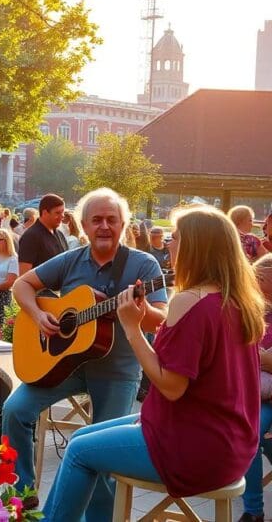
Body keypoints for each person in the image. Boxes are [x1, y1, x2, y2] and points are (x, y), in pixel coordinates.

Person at [41, 205, 265, 521]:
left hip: (194, 449)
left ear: (194, 247)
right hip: (232, 444)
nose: (169, 243)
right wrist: (144, 319)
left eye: (175, 237)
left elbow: (171, 387)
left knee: (78, 453)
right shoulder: (237, 299)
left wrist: (132, 329)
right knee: (79, 438)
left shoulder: (190, 302)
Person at [3, 188, 168, 516]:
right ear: (83, 225)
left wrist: (140, 308)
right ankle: (23, 492)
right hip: (66, 365)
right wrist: (38, 315)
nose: (104, 226)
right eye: (97, 220)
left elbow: (160, 318)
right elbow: (21, 285)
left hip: (117, 371)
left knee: (104, 456)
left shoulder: (143, 264)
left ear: (124, 225)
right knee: (14, 410)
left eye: (112, 220)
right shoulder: (72, 258)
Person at [240, 253, 272, 522]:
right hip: (252, 395)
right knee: (249, 431)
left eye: (259, 278)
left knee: (252, 431)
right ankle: (253, 512)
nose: (254, 282)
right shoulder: (250, 308)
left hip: (266, 397)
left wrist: (256, 356)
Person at [17, 193, 68, 275]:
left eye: (63, 212)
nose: (62, 216)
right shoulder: (31, 237)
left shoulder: (59, 234)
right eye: (57, 213)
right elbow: (24, 275)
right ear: (45, 213)